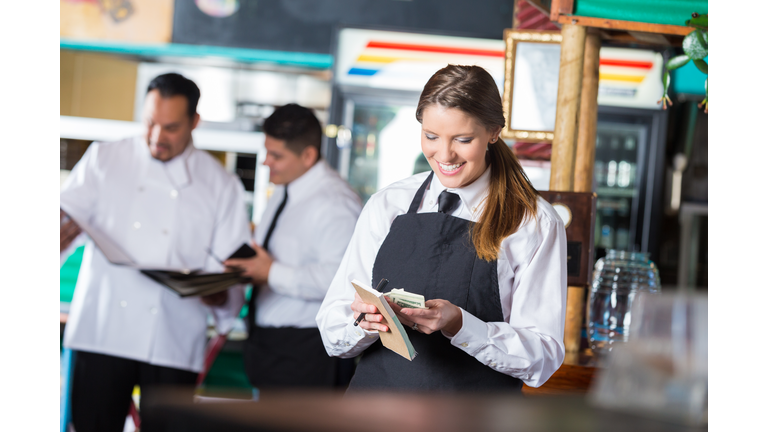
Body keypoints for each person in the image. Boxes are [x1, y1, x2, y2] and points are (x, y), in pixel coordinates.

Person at [316, 65, 568, 392]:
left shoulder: (534, 222)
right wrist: (365, 324)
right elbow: (333, 334)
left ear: (493, 132)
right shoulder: (388, 205)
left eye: (463, 140)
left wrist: (462, 325)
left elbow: (543, 358)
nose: (445, 155)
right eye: (431, 137)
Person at [60, 73, 251, 431]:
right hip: (103, 330)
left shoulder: (220, 184)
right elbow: (60, 228)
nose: (156, 137)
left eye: (171, 128)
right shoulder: (104, 158)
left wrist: (216, 291)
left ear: (195, 122)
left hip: (171, 337)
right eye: (150, 123)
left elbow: (232, 271)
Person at [224, 104, 362, 389]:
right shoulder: (287, 188)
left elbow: (344, 283)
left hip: (308, 352)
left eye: (276, 156)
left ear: (308, 155)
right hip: (272, 346)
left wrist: (271, 272)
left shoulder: (336, 203)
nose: (265, 163)